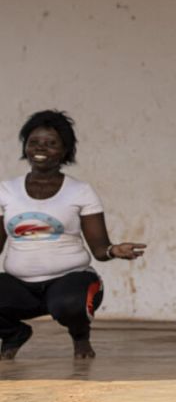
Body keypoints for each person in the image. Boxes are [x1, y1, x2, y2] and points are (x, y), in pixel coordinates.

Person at [0, 110, 146, 360]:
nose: (40, 148)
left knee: (68, 304)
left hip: (69, 280)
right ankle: (13, 333)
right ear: (25, 147)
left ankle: (80, 335)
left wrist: (114, 251)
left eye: (51, 143)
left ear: (65, 151)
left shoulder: (80, 191)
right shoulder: (6, 190)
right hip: (20, 285)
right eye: (33, 142)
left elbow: (100, 250)